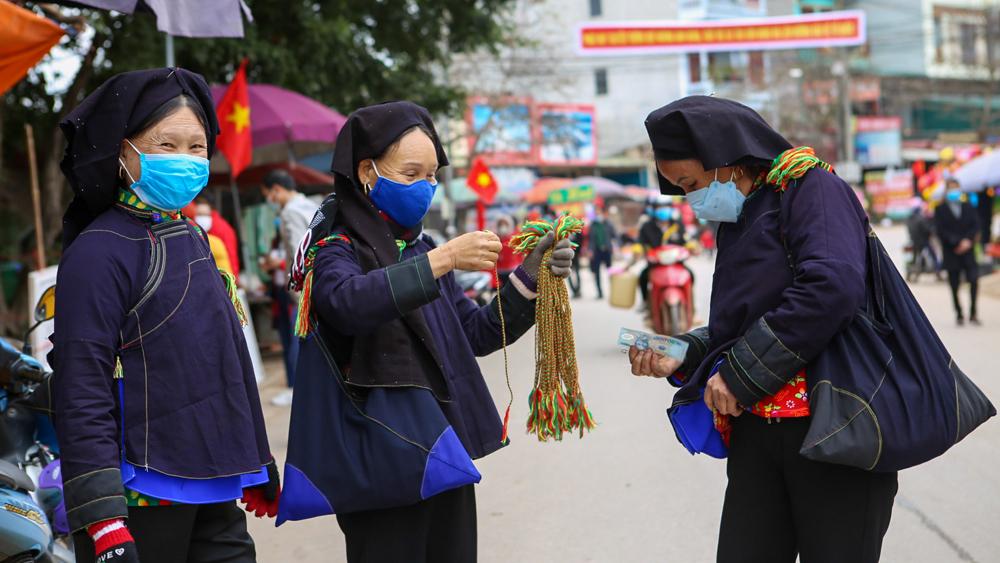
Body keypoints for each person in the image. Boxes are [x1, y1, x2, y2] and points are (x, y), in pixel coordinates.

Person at [289, 101, 574, 563]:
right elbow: (347, 304)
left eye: (432, 175)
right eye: (411, 173)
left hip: (443, 450)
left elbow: (475, 332)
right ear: (366, 171)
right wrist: (442, 259)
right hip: (379, 454)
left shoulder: (421, 248)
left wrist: (529, 278)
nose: (426, 186)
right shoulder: (336, 249)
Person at [629, 96, 897, 563]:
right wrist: (683, 349)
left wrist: (739, 375)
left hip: (834, 429)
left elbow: (831, 287)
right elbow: (741, 326)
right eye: (680, 189)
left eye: (691, 184)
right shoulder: (742, 216)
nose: (692, 200)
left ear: (726, 159)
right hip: (758, 435)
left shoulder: (811, 188)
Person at [51, 68, 278, 563]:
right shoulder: (99, 251)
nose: (186, 160)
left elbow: (226, 357)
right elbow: (80, 383)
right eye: (166, 144)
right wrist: (103, 517)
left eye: (197, 147)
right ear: (122, 151)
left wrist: (256, 458)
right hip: (139, 496)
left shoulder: (192, 237)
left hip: (214, 484)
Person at [259, 169, 319, 406]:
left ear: (276, 190)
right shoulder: (308, 205)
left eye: (268, 195)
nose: (270, 200)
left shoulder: (290, 212)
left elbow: (297, 251)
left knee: (297, 339)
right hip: (315, 282)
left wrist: (297, 290)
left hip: (301, 288)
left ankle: (297, 389)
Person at [934, 178, 981, 325]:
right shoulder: (940, 209)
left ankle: (973, 312)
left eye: (956, 188)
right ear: (946, 191)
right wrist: (956, 242)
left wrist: (968, 241)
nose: (954, 192)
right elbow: (940, 230)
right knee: (954, 284)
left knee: (973, 280)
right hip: (951, 251)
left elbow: (976, 225)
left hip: (968, 251)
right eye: (951, 189)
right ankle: (959, 313)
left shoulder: (968, 206)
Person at [183, 200, 235, 276]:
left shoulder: (217, 240)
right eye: (200, 214)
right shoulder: (190, 237)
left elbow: (230, 258)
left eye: (206, 215)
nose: (203, 218)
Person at [587, 207, 615, 299]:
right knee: (597, 272)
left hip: (607, 250)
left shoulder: (608, 224)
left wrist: (615, 246)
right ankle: (599, 292)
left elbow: (614, 235)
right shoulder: (593, 225)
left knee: (610, 271)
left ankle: (614, 290)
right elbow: (591, 240)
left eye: (599, 213)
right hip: (597, 251)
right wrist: (590, 250)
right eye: (596, 213)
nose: (598, 215)